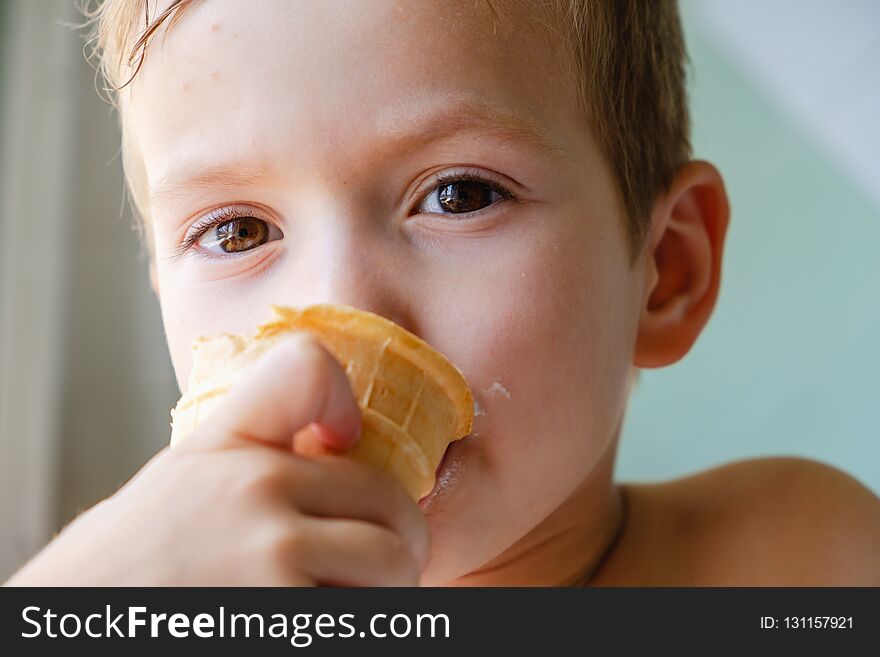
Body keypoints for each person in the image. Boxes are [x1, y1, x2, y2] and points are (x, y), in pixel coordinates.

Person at [6, 0, 879, 586]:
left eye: (459, 194)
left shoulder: (798, 558)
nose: (339, 317)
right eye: (238, 232)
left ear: (667, 274)